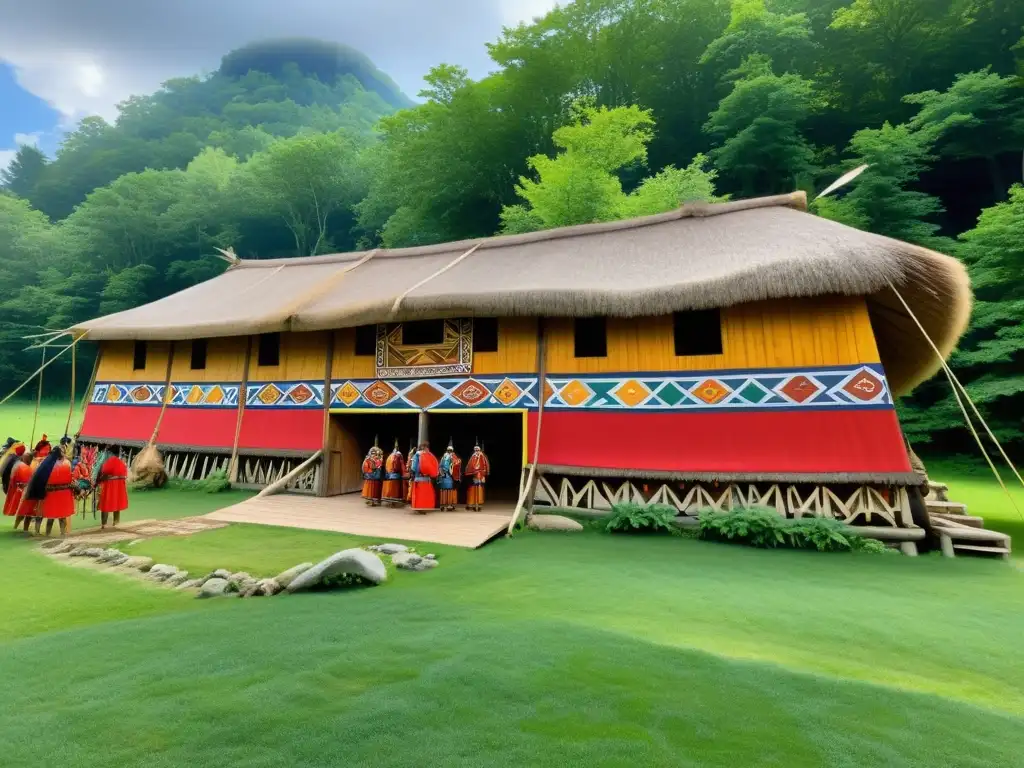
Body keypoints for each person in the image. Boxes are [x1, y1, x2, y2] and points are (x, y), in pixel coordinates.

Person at [22, 446, 75, 537]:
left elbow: (70, 476)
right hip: (49, 493)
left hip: (63, 492)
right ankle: (43, 533)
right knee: (46, 515)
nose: (63, 454)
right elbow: (40, 477)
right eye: (62, 452)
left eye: (63, 452)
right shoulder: (46, 463)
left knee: (62, 515)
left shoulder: (66, 462)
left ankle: (62, 533)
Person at [96, 445, 129, 529]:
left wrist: (99, 480)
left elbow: (103, 472)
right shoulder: (121, 463)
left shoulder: (109, 462)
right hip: (119, 487)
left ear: (110, 452)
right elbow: (125, 474)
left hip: (109, 487)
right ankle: (116, 522)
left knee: (105, 504)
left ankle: (104, 524)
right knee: (117, 503)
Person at [409, 441, 439, 513]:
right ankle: (426, 507)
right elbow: (435, 465)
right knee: (426, 494)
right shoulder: (430, 455)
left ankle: (419, 508)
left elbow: (413, 467)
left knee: (419, 495)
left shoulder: (417, 455)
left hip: (418, 478)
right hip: (427, 479)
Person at [5, 450, 31, 526]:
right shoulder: (21, 467)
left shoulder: (27, 466)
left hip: (27, 492)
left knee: (27, 514)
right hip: (22, 492)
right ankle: (17, 527)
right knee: (23, 512)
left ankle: (21, 528)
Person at [437, 440, 462, 511]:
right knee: (445, 489)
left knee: (448, 489)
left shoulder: (452, 456)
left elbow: (456, 464)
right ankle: (444, 504)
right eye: (448, 450)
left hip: (448, 475)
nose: (449, 451)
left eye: (450, 450)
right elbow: (440, 465)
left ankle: (448, 504)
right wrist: (441, 472)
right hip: (445, 475)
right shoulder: (444, 457)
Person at [465, 441, 491, 511]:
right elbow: (469, 465)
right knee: (473, 489)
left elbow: (486, 465)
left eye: (478, 450)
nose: (476, 451)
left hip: (480, 475)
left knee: (479, 489)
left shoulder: (483, 456)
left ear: (480, 450)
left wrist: (484, 473)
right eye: (475, 450)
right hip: (473, 475)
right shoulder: (473, 456)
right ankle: (472, 503)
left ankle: (478, 503)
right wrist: (470, 472)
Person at [382, 441, 406, 508]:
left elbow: (386, 466)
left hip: (389, 475)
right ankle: (394, 502)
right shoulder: (398, 456)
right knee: (395, 490)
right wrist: (404, 473)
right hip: (396, 475)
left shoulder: (389, 456)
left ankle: (390, 501)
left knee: (391, 489)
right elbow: (400, 466)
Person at [361, 441, 383, 506]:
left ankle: (373, 500)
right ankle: (370, 500)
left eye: (376, 454)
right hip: (371, 476)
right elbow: (370, 467)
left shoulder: (374, 460)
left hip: (373, 477)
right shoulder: (369, 460)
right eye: (373, 454)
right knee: (371, 489)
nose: (375, 455)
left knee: (374, 489)